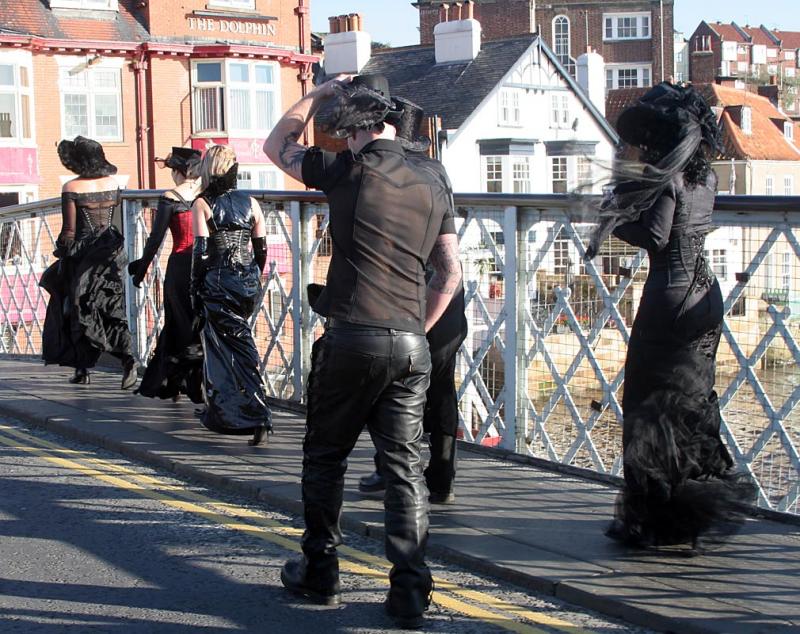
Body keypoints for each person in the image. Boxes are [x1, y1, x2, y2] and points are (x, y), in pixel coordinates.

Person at [264, 75, 462, 628]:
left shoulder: (345, 170)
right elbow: (449, 273)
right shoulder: (433, 174)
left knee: (326, 456)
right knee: (405, 468)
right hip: (410, 341)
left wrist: (315, 94)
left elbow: (275, 145)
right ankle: (409, 592)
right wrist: (414, 331)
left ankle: (320, 572)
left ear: (350, 131)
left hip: (352, 335)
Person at [584, 83, 756, 550]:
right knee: (689, 401)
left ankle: (654, 517)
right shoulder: (708, 179)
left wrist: (615, 216)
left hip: (668, 297)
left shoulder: (669, 179)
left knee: (648, 402)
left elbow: (656, 238)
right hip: (707, 299)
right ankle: (681, 511)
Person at [358, 97, 468, 505]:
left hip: (403, 291)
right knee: (440, 387)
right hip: (446, 291)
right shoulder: (436, 170)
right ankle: (442, 476)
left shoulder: (383, 171)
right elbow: (449, 252)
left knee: (389, 384)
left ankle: (392, 469)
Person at [190, 145, 272, 446]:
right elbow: (261, 250)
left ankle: (248, 412)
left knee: (223, 352)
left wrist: (194, 289)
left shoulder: (202, 203)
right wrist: (252, 278)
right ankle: (246, 412)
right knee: (241, 345)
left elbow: (201, 254)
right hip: (246, 284)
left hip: (218, 283)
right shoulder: (251, 202)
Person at [40, 136, 137, 389]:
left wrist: (61, 252)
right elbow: (112, 224)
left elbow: (69, 231)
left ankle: (83, 369)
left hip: (83, 256)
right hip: (110, 254)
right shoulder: (113, 183)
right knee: (110, 308)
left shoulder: (72, 187)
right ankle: (128, 360)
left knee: (78, 308)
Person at [128, 147, 204, 402]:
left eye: (173, 170)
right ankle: (196, 383)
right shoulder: (208, 195)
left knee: (177, 324)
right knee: (199, 325)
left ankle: (176, 382)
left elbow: (155, 239)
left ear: (179, 172)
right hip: (206, 267)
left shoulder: (170, 197)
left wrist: (140, 270)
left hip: (180, 267)